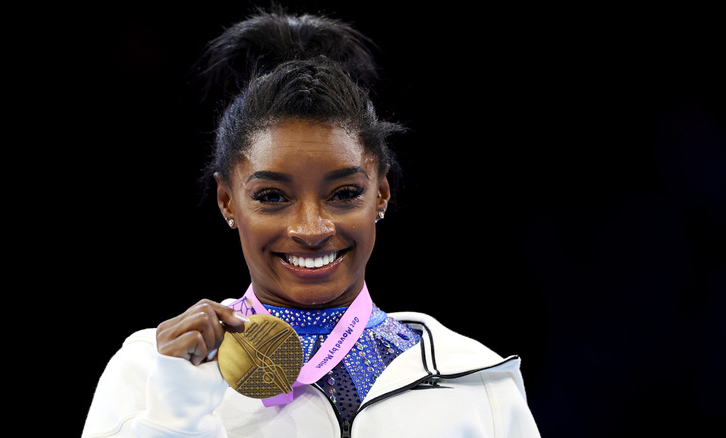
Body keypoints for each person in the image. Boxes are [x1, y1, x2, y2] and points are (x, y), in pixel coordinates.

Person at [82, 7, 541, 437]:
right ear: (227, 201)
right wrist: (171, 415)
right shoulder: (151, 370)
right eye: (272, 197)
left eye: (344, 194)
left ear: (380, 193)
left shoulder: (477, 382)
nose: (311, 228)